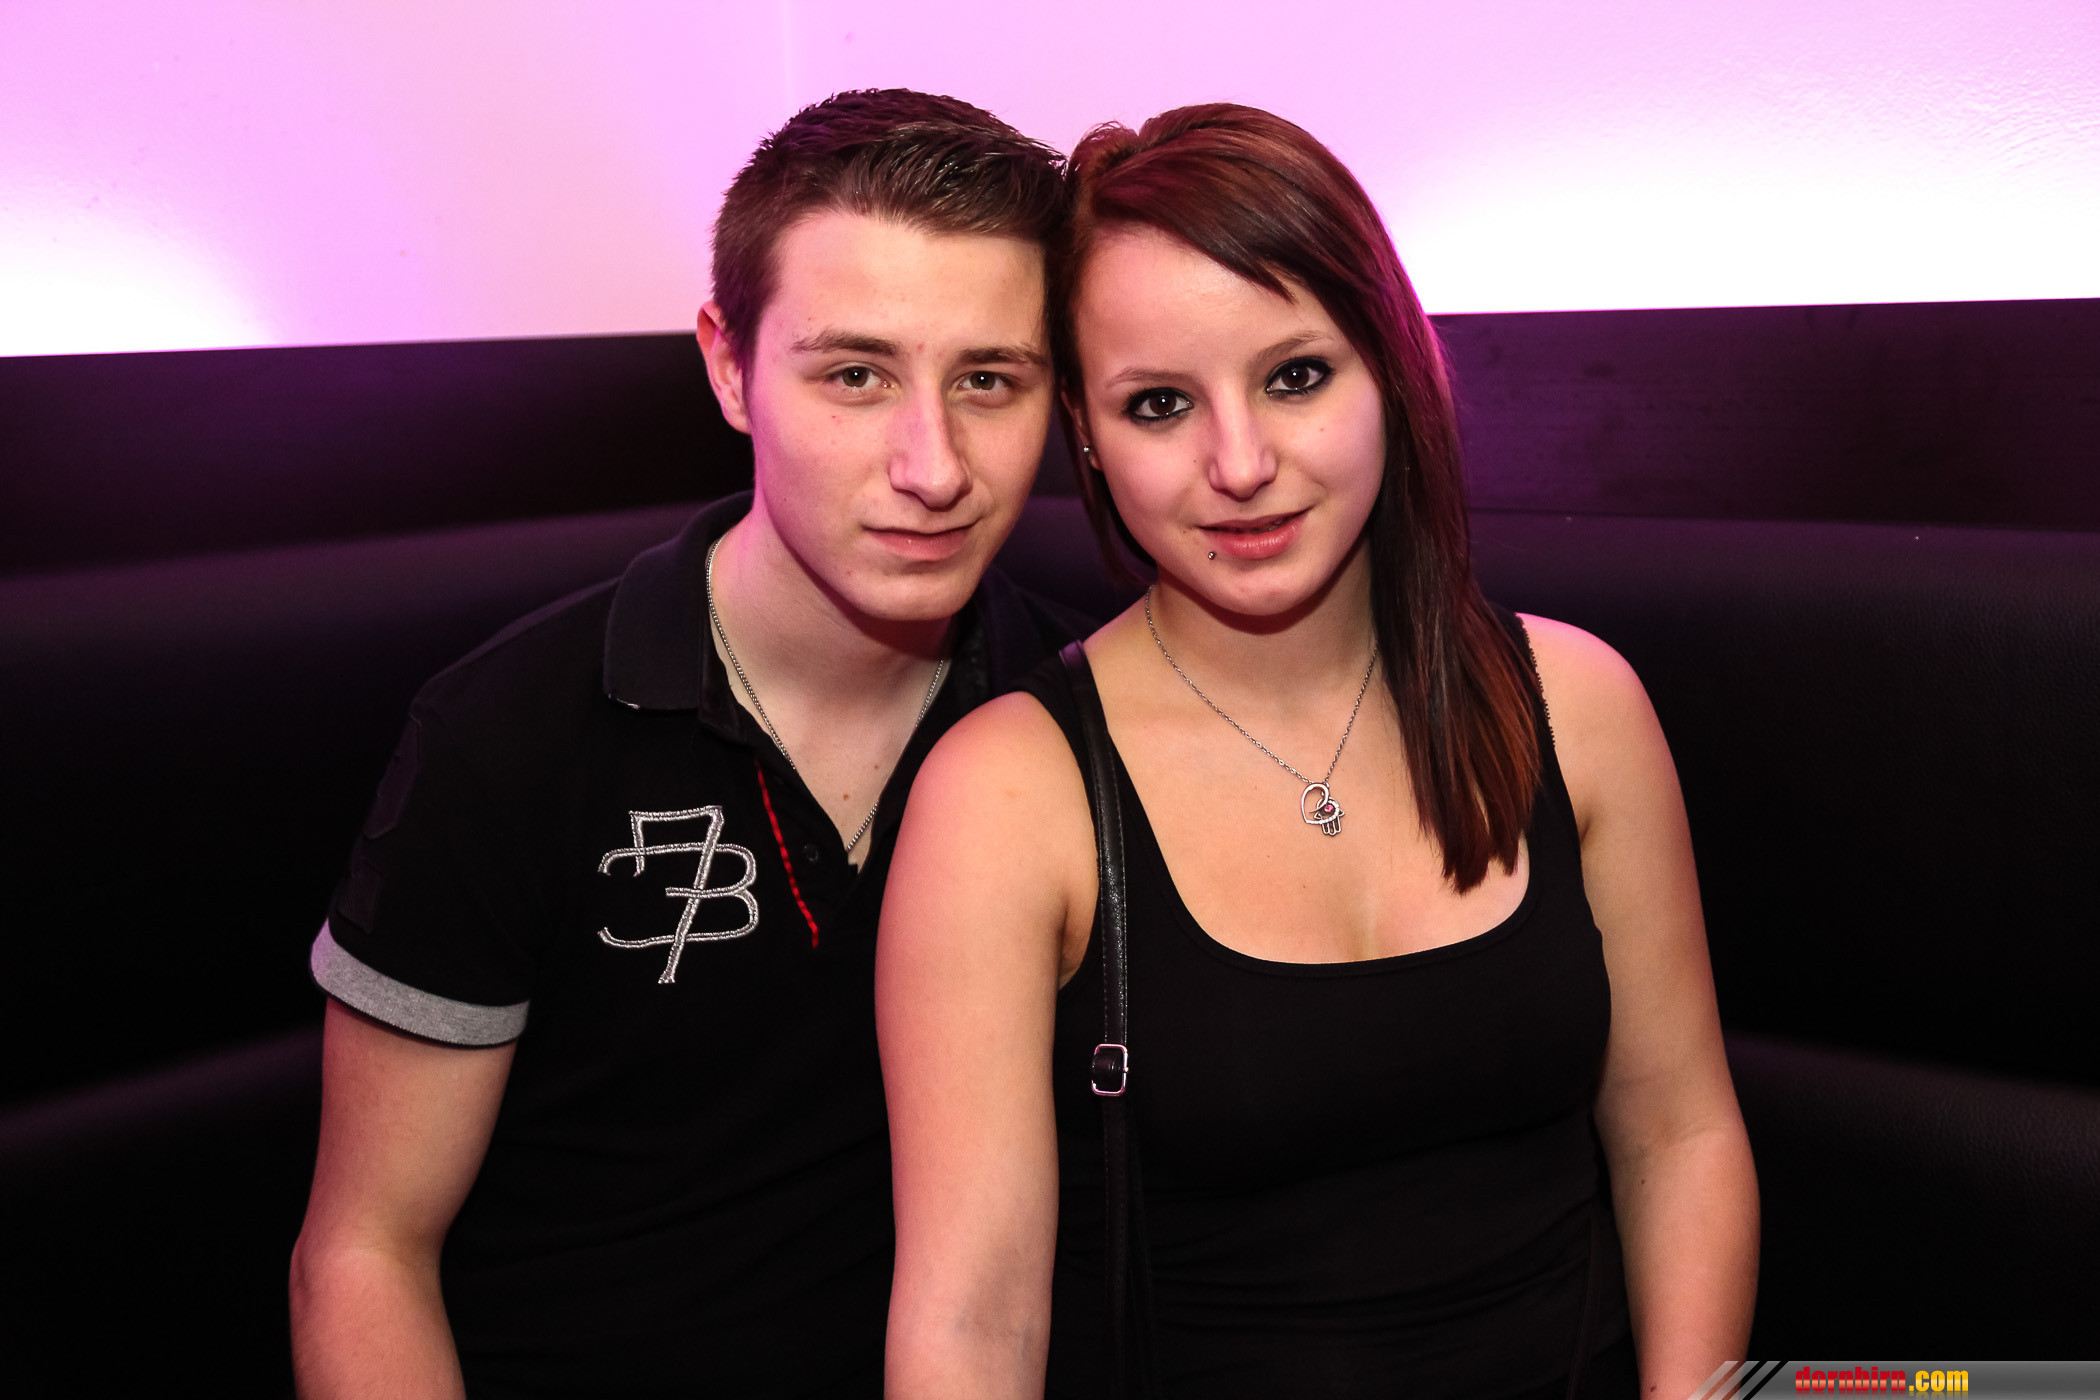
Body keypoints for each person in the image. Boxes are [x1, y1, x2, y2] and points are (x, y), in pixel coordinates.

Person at [878, 104, 1760, 1400]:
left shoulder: (1577, 707)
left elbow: (1678, 1139)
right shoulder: (1006, 794)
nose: (1240, 465)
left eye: (1295, 376)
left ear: (1391, 366)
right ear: (1087, 434)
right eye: (1160, 404)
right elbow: (972, 1321)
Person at [288, 89, 1085, 1398]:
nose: (933, 466)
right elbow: (364, 1255)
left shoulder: (1077, 715)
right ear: (728, 366)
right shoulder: (511, 734)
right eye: (855, 375)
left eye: (988, 381)